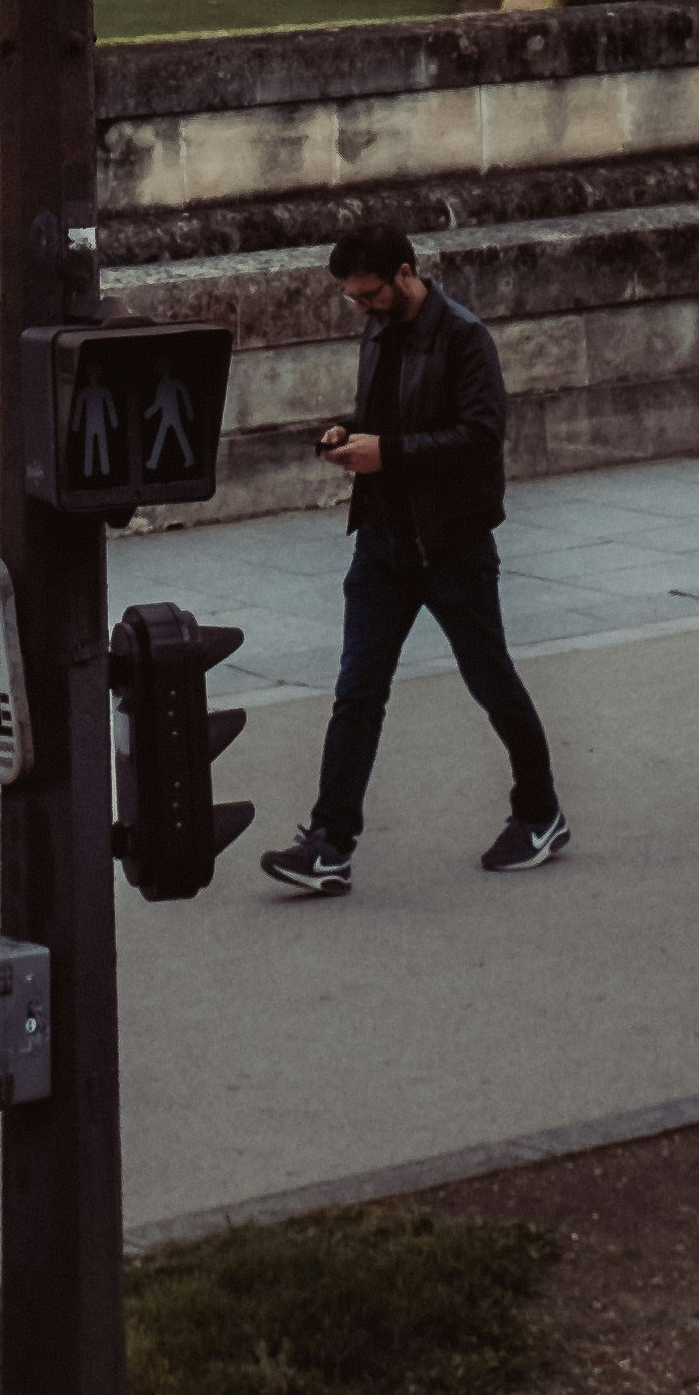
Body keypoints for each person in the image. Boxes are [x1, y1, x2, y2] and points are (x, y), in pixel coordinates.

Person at [260, 222, 568, 897]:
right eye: (353, 299)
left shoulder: (463, 337)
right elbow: (387, 416)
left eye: (370, 294)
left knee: (491, 681)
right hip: (383, 543)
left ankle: (541, 811)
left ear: (405, 274)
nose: (362, 307)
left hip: (451, 545)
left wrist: (387, 453)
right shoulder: (378, 329)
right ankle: (329, 844)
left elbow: (483, 437)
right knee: (357, 692)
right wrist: (348, 430)